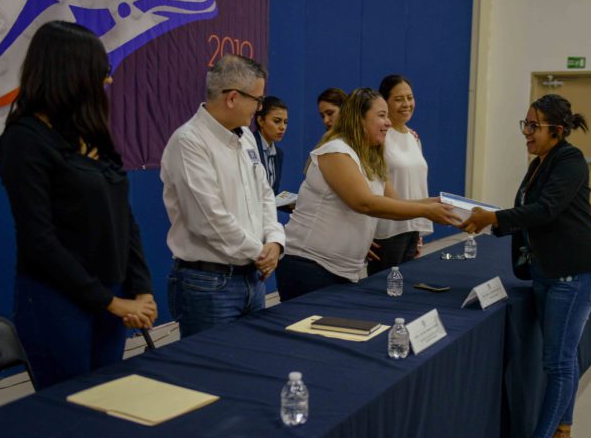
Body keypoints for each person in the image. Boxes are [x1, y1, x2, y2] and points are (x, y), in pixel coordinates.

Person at [0, 21, 157, 390]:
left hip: (113, 298)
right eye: (102, 72)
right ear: (72, 74)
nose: (109, 81)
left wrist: (141, 289)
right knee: (69, 412)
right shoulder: (24, 140)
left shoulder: (93, 135)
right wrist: (110, 303)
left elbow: (124, 218)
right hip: (58, 301)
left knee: (103, 400)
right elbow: (40, 241)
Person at [461, 94, 591, 438]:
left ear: (556, 131)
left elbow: (546, 211)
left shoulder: (570, 161)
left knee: (558, 362)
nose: (525, 133)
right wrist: (493, 220)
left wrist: (493, 217)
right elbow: (531, 211)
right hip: (548, 271)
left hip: (574, 275)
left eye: (532, 126)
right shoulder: (542, 162)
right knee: (565, 356)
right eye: (524, 124)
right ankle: (562, 436)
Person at [276, 88, 460, 301]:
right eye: (382, 115)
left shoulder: (371, 157)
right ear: (360, 119)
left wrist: (438, 203)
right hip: (309, 266)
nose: (389, 122)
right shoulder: (336, 151)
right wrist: (428, 211)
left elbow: (394, 204)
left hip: (342, 270)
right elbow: (364, 203)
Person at [161, 54, 285, 338]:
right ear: (232, 98)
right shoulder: (189, 141)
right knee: (208, 375)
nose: (259, 108)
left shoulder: (246, 137)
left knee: (249, 367)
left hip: (252, 277)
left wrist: (275, 242)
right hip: (209, 283)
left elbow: (265, 195)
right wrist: (260, 253)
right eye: (257, 100)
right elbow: (208, 219)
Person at [367, 75, 432, 275]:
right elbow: (368, 188)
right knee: (385, 293)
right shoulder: (378, 137)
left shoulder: (414, 137)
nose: (406, 104)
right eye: (398, 99)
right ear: (384, 103)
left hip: (411, 227)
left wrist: (418, 230)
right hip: (387, 231)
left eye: (409, 98)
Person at [253, 96, 288, 194]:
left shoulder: (279, 154)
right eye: (277, 121)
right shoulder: (249, 146)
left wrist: (289, 203)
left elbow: (272, 194)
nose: (282, 127)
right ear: (260, 121)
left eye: (285, 122)